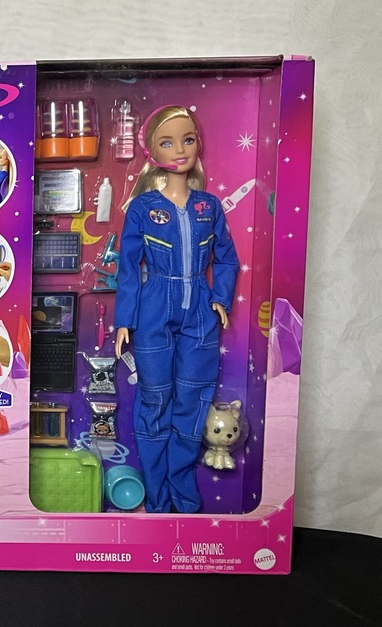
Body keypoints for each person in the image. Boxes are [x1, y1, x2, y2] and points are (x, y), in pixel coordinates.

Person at [113, 105, 240, 514]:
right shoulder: (142, 207)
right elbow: (128, 267)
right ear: (151, 152)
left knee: (193, 399)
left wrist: (220, 297)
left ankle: (184, 499)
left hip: (200, 308)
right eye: (167, 143)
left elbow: (226, 258)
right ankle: (157, 499)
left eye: (188, 140)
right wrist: (124, 320)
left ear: (198, 143)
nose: (180, 150)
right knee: (155, 401)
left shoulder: (209, 206)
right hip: (154, 305)